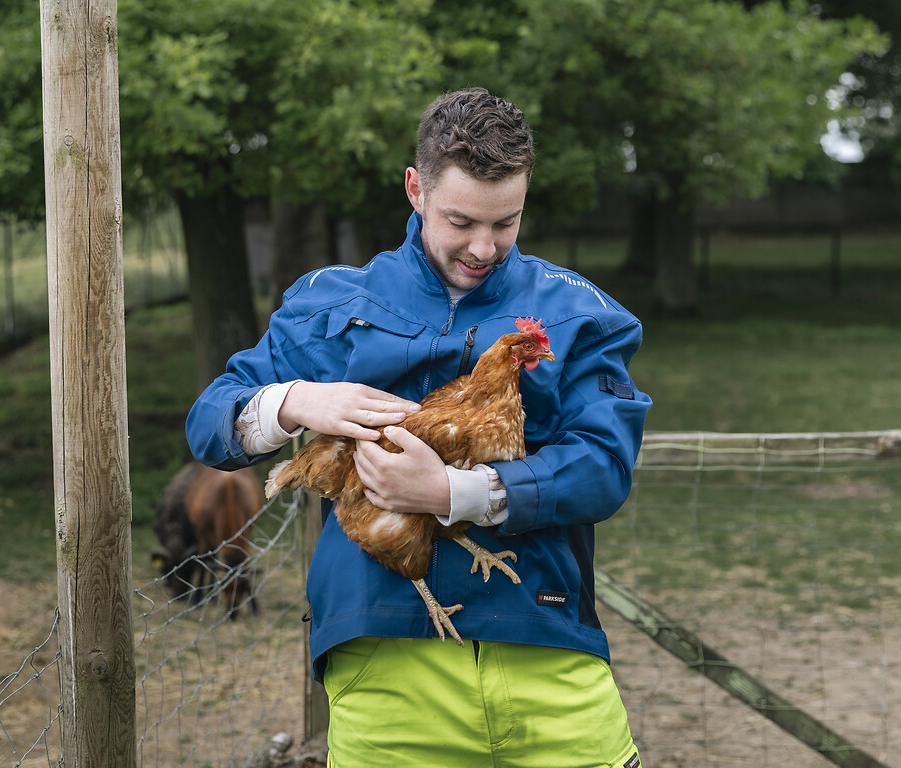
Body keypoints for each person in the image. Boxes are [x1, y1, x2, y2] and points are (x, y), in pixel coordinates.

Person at [186, 88, 652, 767]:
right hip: (385, 652)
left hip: (542, 640)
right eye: (461, 221)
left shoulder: (577, 312)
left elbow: (603, 466)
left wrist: (451, 493)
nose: (484, 247)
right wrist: (296, 400)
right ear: (416, 189)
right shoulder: (333, 301)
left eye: (506, 223)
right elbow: (209, 423)